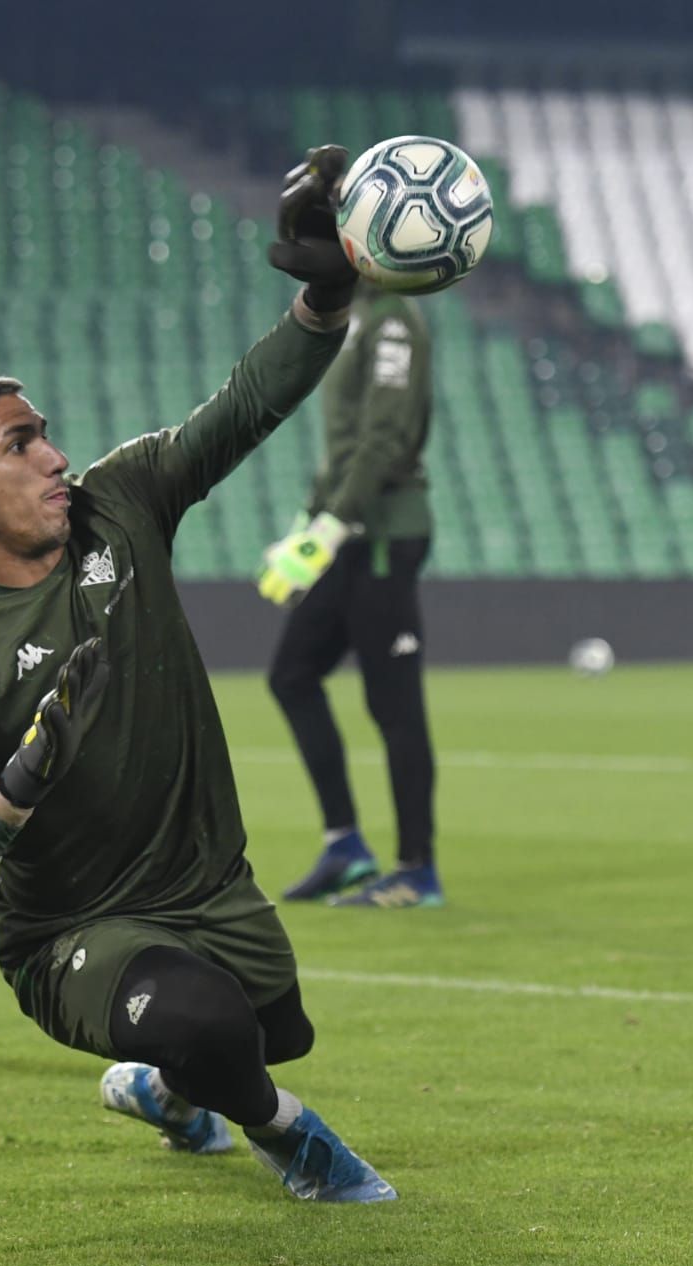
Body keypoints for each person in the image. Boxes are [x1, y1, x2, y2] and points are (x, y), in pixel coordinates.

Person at [0, 148, 395, 1203]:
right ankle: (289, 1140)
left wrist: (325, 291)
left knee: (263, 1031)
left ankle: (169, 1094)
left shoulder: (119, 503)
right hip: (69, 931)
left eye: (46, 435)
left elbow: (243, 408)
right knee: (213, 1034)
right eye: (20, 445)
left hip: (206, 890)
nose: (53, 457)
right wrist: (19, 779)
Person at [256, 285, 443, 909]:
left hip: (385, 535)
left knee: (393, 706)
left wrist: (327, 531)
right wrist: (304, 529)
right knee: (291, 676)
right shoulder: (357, 319)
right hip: (347, 536)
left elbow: (384, 439)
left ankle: (417, 871)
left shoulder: (393, 323)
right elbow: (342, 449)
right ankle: (346, 846)